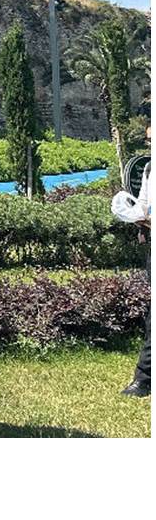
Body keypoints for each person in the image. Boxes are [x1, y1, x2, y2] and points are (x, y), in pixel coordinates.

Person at [112, 124, 151, 398]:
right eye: (149, 140)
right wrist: (140, 222)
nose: (150, 145)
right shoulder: (149, 169)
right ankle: (145, 378)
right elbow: (145, 203)